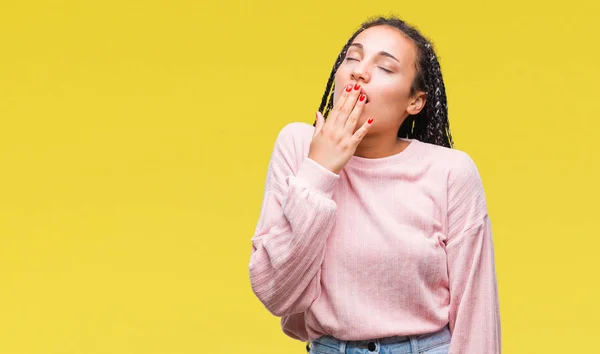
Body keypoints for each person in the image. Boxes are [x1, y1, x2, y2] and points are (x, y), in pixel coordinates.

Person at [248, 15, 501, 354]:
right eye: (352, 57)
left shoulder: (451, 172)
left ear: (415, 102)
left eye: (385, 67)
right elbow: (277, 293)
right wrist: (319, 170)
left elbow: (477, 314)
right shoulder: (297, 147)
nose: (359, 71)